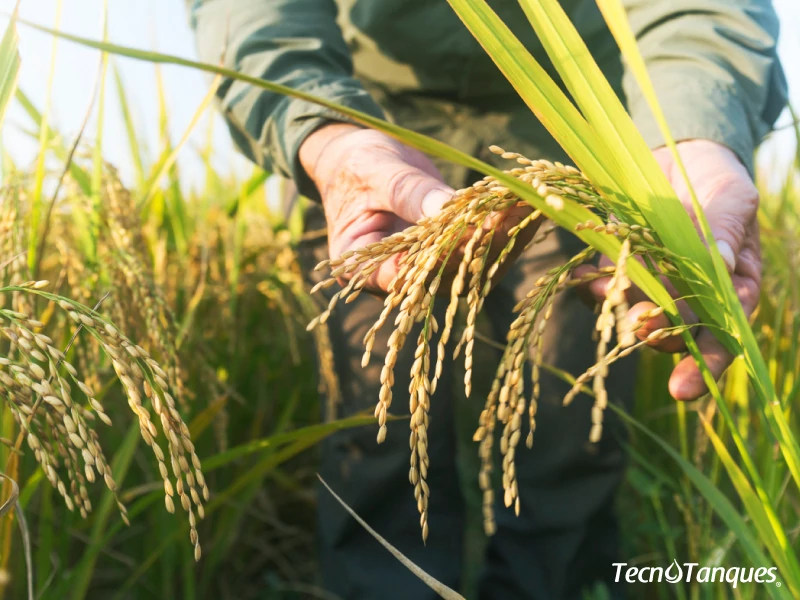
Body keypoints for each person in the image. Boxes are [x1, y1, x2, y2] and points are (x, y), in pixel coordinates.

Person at [189, 0, 786, 597]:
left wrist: (695, 137)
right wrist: (321, 127)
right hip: (367, 122)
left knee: (566, 424)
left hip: (574, 132)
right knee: (376, 426)